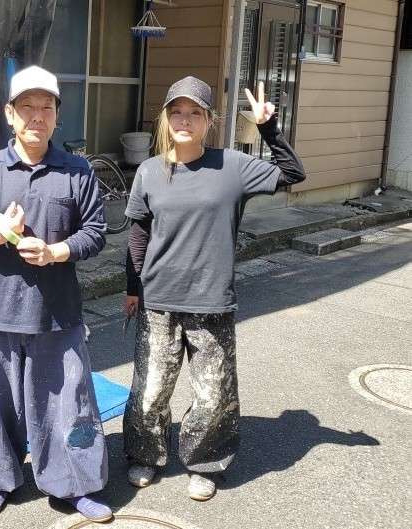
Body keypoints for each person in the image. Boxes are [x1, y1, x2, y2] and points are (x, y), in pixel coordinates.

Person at [122, 76, 305, 500]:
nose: (185, 119)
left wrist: (268, 128)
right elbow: (138, 234)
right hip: (158, 300)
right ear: (166, 119)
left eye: (195, 113)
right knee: (150, 389)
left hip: (211, 300)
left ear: (209, 121)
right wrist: (132, 289)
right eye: (177, 111)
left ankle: (205, 462)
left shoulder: (233, 166)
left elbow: (293, 172)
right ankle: (145, 454)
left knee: (212, 393)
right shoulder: (149, 170)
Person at [0, 65, 112, 522]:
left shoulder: (77, 171)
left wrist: (59, 250)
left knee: (67, 405)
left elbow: (97, 232)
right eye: (27, 107)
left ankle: (73, 484)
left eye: (46, 107)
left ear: (58, 115)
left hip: (57, 313)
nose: (37, 116)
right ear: (10, 114)